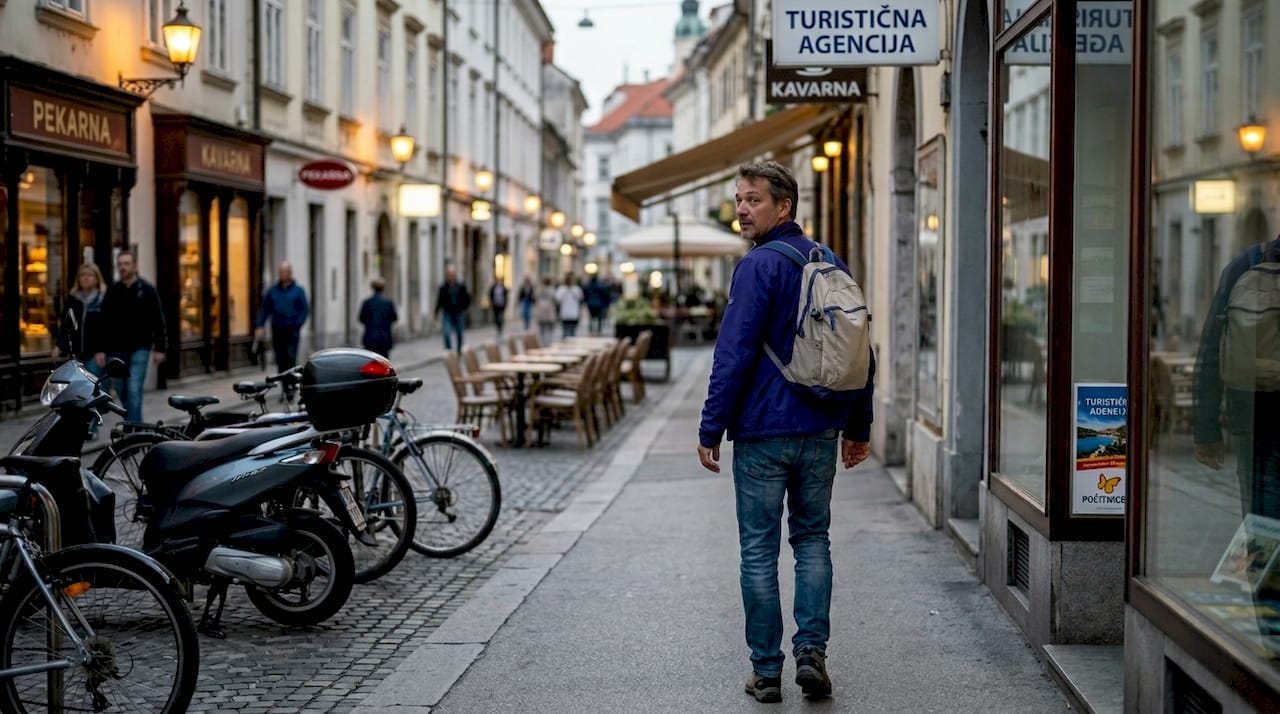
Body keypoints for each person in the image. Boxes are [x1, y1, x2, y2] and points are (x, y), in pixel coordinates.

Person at [696, 162, 874, 704]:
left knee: (758, 550)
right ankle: (812, 654)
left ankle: (768, 671)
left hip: (763, 432)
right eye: (739, 200)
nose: (742, 209)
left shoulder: (758, 267)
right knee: (813, 540)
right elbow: (861, 347)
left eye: (753, 200)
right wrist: (857, 426)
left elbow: (734, 353)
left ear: (784, 207)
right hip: (820, 428)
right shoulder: (829, 261)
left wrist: (711, 426)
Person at [1194, 234, 1280, 518]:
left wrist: (1207, 429)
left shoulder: (1246, 263)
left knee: (1262, 522)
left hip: (1254, 419)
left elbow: (1211, 349)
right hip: (1255, 422)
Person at [96, 250, 167, 423]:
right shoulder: (113, 290)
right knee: (122, 391)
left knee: (134, 389)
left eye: (126, 264)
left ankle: (132, 431)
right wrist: (101, 349)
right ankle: (137, 426)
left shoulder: (147, 290)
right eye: (120, 264)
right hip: (116, 349)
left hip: (140, 348)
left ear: (135, 266)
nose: (123, 267)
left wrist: (160, 348)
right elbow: (103, 322)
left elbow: (158, 320)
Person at [255, 262, 310, 387]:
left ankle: (291, 386)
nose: (282, 275)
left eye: (284, 272)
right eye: (280, 272)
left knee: (290, 357)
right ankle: (285, 388)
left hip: (292, 331)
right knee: (280, 359)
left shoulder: (298, 291)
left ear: (290, 273)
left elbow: (305, 309)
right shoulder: (273, 291)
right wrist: (260, 325)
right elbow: (265, 308)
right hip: (278, 329)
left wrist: (297, 324)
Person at [54, 262, 107, 373]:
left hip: (95, 355)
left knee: (94, 387)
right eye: (82, 275)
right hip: (75, 355)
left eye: (90, 275)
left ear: (97, 279)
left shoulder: (103, 299)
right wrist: (59, 345)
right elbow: (64, 324)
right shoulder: (73, 299)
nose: (85, 278)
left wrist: (102, 350)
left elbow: (107, 327)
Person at [435, 266, 471, 355]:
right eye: (449, 274)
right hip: (448, 312)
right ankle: (449, 351)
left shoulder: (461, 286)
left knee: (459, 332)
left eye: (452, 274)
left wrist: (463, 308)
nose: (451, 276)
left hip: (458, 312)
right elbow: (439, 300)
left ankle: (459, 350)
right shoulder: (443, 287)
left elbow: (467, 298)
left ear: (455, 275)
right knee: (446, 332)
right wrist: (436, 312)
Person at [359, 277, 398, 358]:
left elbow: (361, 318)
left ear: (373, 288)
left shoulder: (367, 303)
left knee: (370, 361)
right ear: (383, 288)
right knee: (384, 362)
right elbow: (394, 317)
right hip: (384, 338)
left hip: (370, 337)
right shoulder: (388, 303)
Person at [555, 274, 585, 339]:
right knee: (567, 331)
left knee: (571, 331)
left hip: (572, 313)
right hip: (566, 313)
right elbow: (558, 299)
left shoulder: (576, 289)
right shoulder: (562, 289)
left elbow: (580, 298)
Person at [533, 276, 558, 344]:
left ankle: (543, 342)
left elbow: (535, 299)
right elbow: (556, 300)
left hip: (540, 312)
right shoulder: (552, 290)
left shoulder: (539, 290)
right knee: (549, 329)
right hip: (549, 313)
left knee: (542, 329)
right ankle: (548, 342)